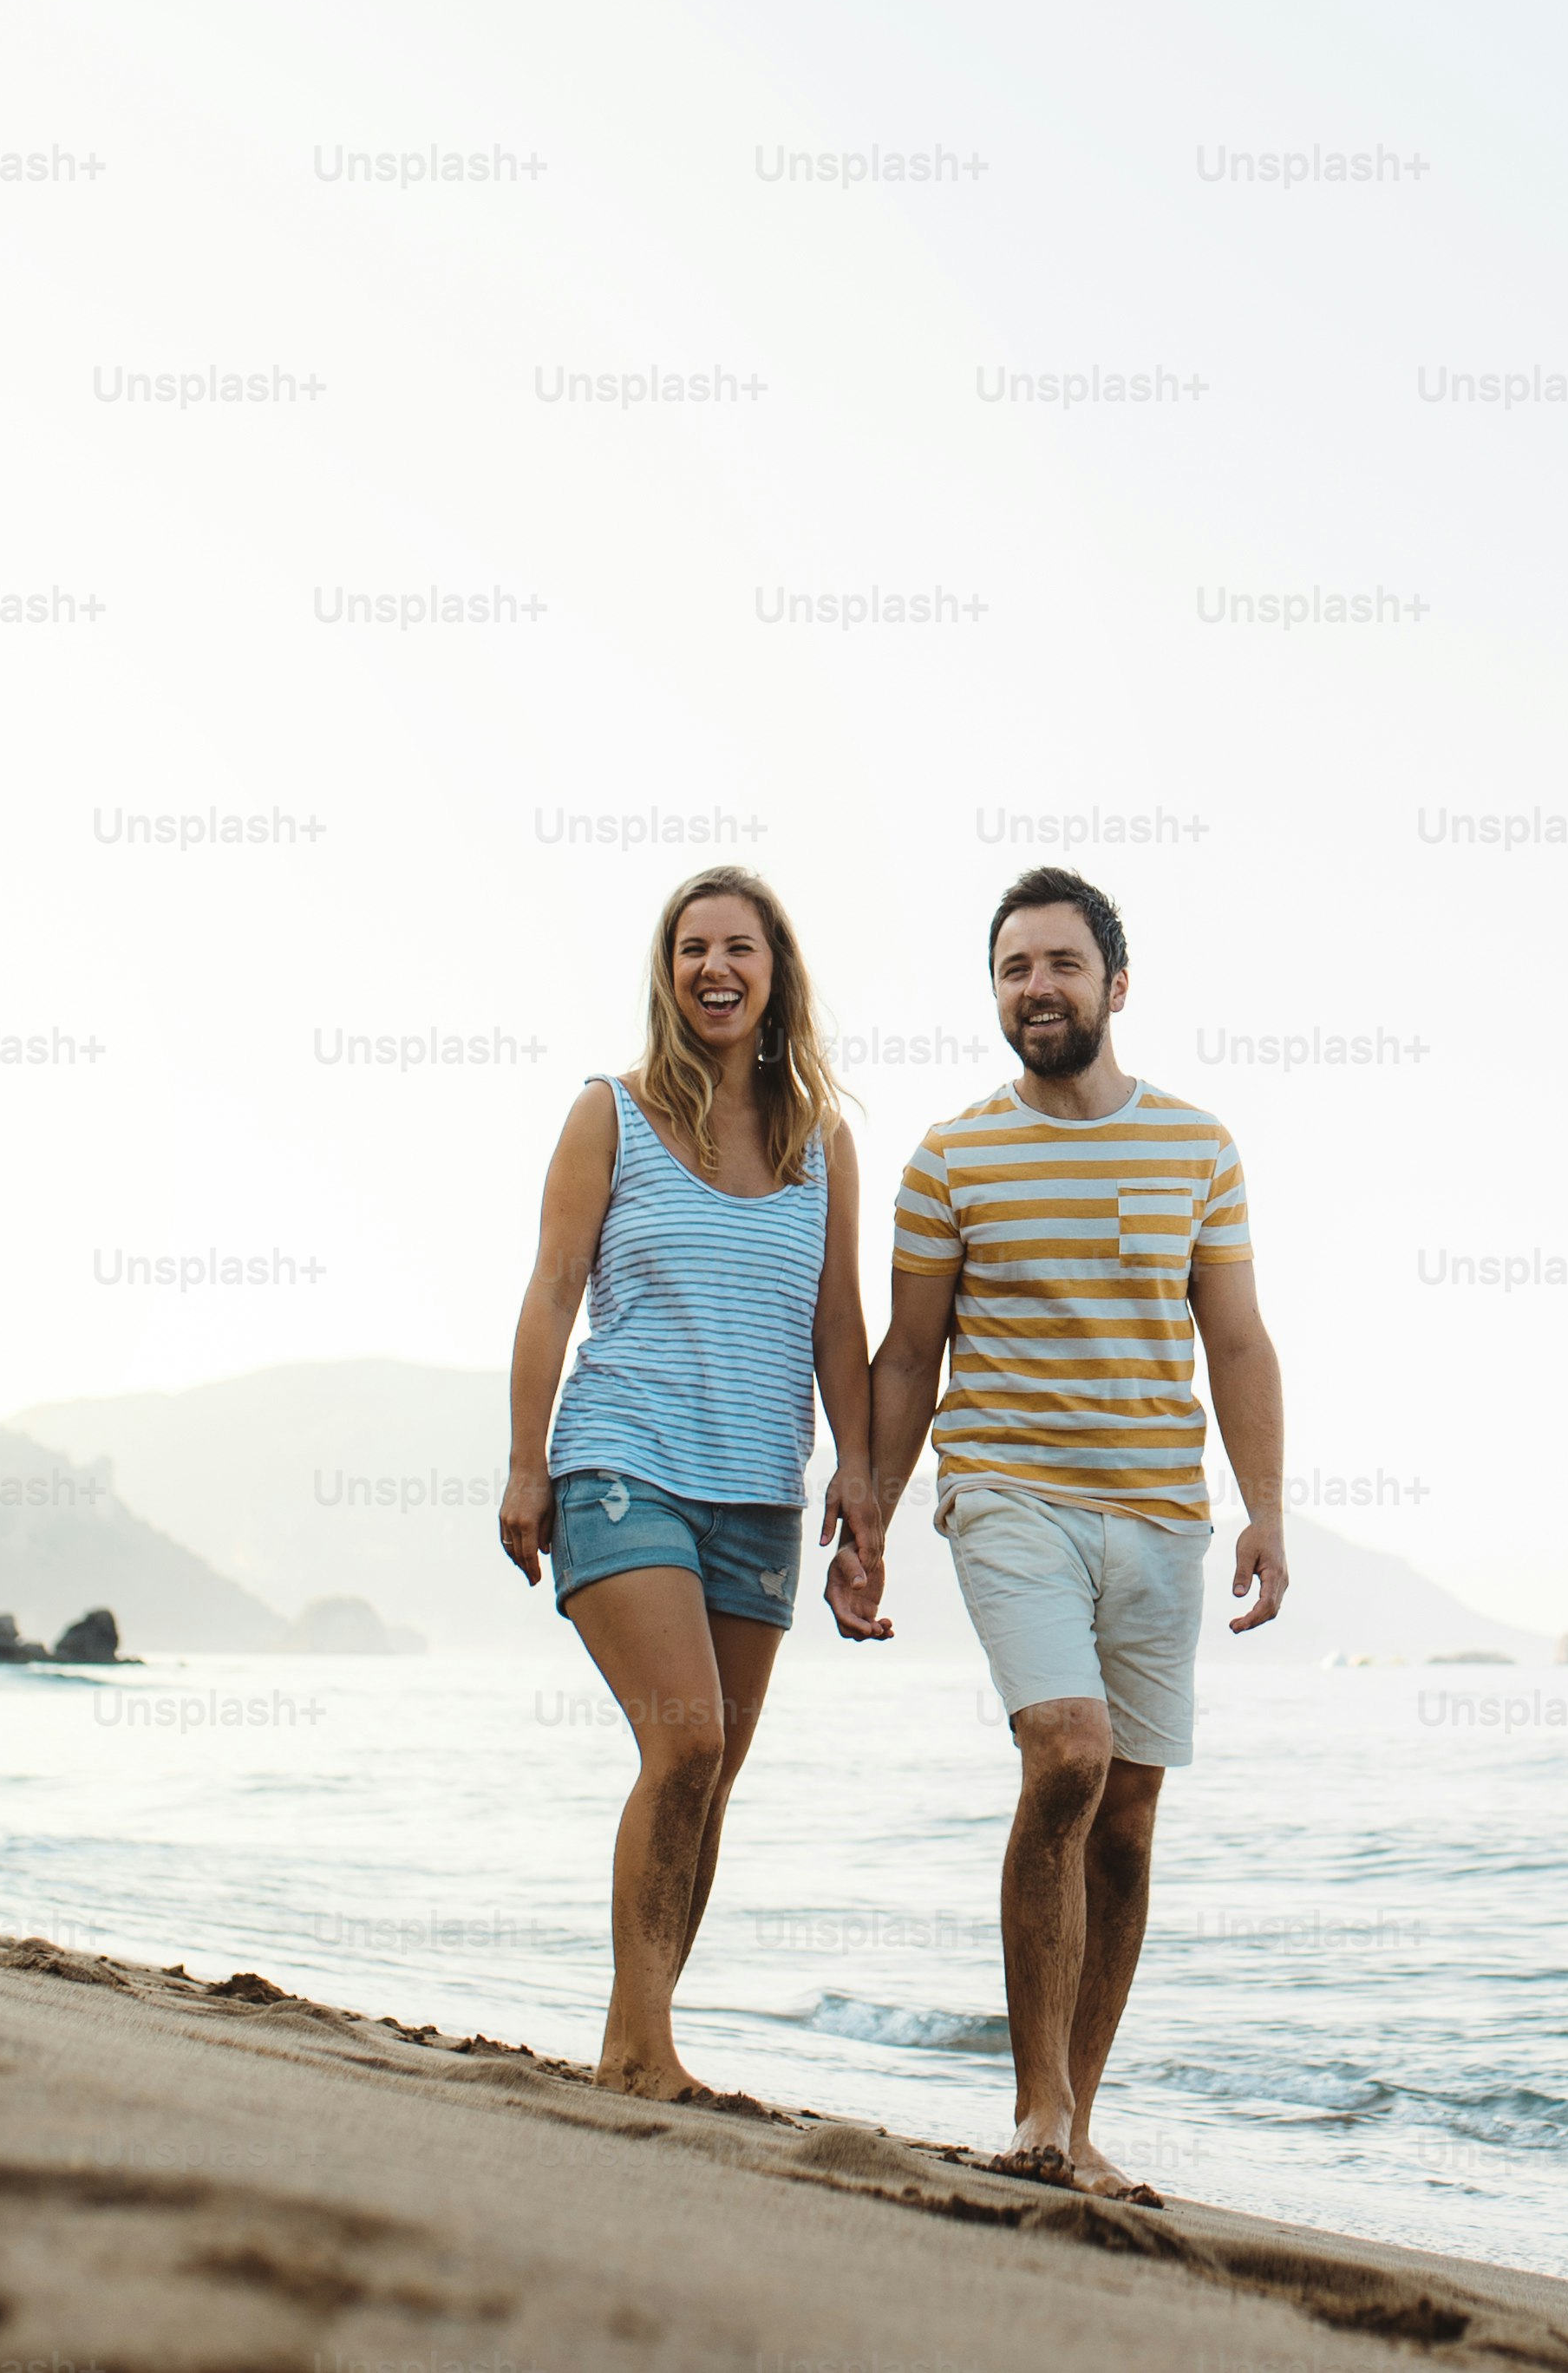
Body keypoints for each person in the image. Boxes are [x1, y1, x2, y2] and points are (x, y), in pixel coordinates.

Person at [869, 866, 1288, 2201]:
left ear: (1117, 981)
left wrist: (1265, 1507)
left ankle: (1079, 2118)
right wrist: (867, 1509)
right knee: (1069, 1753)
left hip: (1161, 1513)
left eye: (1057, 963)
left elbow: (1235, 1338)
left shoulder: (1199, 1149)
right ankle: (1036, 2101)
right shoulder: (951, 1158)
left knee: (1129, 1818)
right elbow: (909, 1354)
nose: (1033, 987)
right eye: (1011, 968)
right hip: (1008, 1492)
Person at [499, 864, 888, 2109]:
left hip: (759, 1492)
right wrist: (524, 1459)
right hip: (624, 1462)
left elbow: (840, 1321)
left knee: (709, 1775)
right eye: (691, 948)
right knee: (689, 1739)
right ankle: (638, 2044)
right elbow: (555, 1290)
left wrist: (863, 1478)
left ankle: (639, 2036)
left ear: (778, 973)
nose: (714, 968)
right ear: (667, 973)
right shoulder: (608, 1112)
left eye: (739, 948)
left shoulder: (822, 1140)